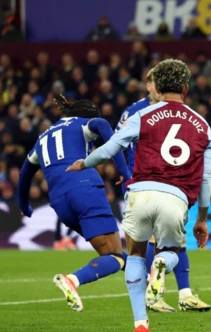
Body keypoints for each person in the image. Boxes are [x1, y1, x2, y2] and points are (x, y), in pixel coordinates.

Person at [67, 59, 211, 332]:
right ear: (186, 88)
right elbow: (206, 178)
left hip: (140, 193)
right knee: (169, 252)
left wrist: (84, 163)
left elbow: (111, 147)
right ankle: (162, 266)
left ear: (156, 87)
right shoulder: (203, 126)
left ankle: (140, 323)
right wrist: (202, 219)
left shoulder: (143, 115)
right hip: (176, 197)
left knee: (135, 255)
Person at [17, 96, 131, 312]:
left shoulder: (42, 138)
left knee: (111, 252)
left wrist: (24, 206)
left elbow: (25, 174)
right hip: (85, 189)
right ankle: (72, 280)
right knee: (114, 255)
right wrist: (124, 171)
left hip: (60, 203)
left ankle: (147, 278)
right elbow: (102, 125)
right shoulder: (83, 123)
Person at [116, 68, 211, 313]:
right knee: (155, 241)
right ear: (150, 87)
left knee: (176, 242)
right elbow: (117, 143)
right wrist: (124, 172)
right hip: (143, 181)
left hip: (168, 181)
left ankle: (182, 293)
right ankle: (156, 295)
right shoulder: (136, 111)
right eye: (150, 83)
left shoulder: (174, 113)